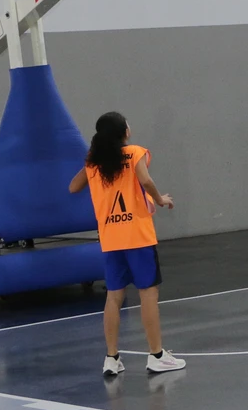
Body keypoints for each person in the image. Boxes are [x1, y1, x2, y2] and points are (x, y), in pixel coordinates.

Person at [68, 112, 186, 375]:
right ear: (125, 131)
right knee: (148, 293)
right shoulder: (134, 153)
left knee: (114, 297)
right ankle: (156, 355)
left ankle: (111, 358)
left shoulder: (94, 163)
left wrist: (91, 164)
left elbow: (73, 187)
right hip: (138, 235)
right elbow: (145, 180)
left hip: (111, 238)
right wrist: (159, 199)